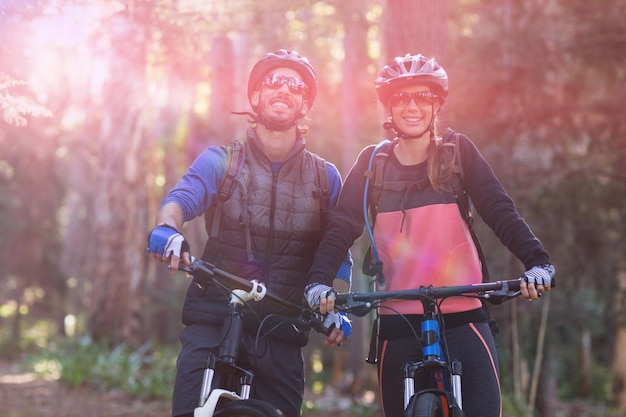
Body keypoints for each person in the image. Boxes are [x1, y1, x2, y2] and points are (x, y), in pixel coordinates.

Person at [304, 53, 555, 417]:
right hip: (397, 317)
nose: (412, 106)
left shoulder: (458, 154)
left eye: (423, 97)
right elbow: (342, 226)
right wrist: (317, 282)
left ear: (437, 103)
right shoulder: (373, 164)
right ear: (389, 106)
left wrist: (538, 263)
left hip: (463, 312)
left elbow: (500, 211)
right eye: (402, 97)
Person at [148, 49, 352, 417]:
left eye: (295, 85)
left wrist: (333, 304)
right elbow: (179, 200)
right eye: (273, 81)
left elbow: (338, 252)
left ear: (304, 103)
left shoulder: (326, 178)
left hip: (282, 326)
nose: (283, 89)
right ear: (255, 96)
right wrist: (168, 230)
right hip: (214, 315)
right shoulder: (222, 160)